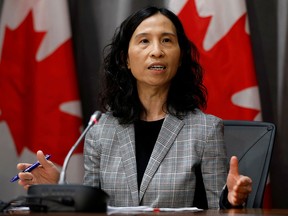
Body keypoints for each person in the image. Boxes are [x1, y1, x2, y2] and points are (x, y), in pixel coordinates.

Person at [16, 6, 252, 209]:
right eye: (144, 41)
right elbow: (91, 209)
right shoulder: (99, 132)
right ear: (125, 59)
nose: (157, 51)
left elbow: (219, 208)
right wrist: (59, 188)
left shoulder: (205, 129)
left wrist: (232, 201)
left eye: (167, 40)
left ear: (180, 58)